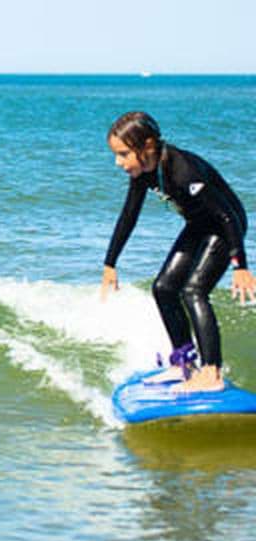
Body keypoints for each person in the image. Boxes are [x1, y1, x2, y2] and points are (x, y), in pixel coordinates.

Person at [100, 111, 255, 392]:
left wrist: (240, 266)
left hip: (224, 228)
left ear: (146, 147)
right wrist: (110, 263)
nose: (118, 162)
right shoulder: (145, 172)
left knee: (193, 291)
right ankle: (184, 364)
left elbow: (227, 217)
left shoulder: (183, 171)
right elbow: (128, 215)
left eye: (123, 154)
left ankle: (212, 373)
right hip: (199, 225)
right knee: (163, 288)